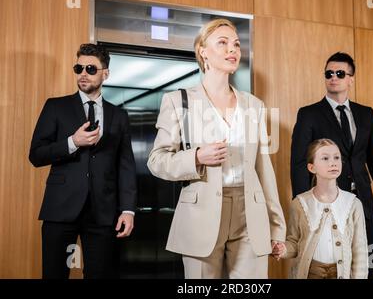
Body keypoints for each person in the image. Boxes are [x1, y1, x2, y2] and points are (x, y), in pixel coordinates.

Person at [147, 18, 286, 279]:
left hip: (250, 215)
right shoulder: (178, 101)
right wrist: (197, 156)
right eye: (222, 43)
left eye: (235, 44)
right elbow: (156, 160)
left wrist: (277, 229)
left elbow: (263, 170)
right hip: (201, 215)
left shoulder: (253, 105)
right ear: (202, 50)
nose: (232, 49)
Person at [290, 52, 373, 278]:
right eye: (329, 73)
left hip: (363, 201)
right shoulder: (309, 114)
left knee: (366, 264)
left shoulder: (366, 114)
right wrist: (303, 203)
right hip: (326, 202)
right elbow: (299, 162)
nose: (333, 77)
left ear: (351, 79)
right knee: (330, 265)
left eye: (340, 73)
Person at [29, 43, 137, 279]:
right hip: (60, 208)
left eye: (90, 68)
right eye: (79, 68)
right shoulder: (55, 106)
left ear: (105, 73)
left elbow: (125, 166)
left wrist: (128, 210)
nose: (83, 73)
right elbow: (36, 155)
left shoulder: (119, 115)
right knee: (54, 275)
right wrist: (73, 142)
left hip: (103, 211)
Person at [275, 139, 368, 279]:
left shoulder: (353, 204)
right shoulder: (300, 203)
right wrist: (284, 249)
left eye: (337, 157)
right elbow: (294, 242)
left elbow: (360, 250)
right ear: (312, 168)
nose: (333, 162)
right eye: (325, 158)